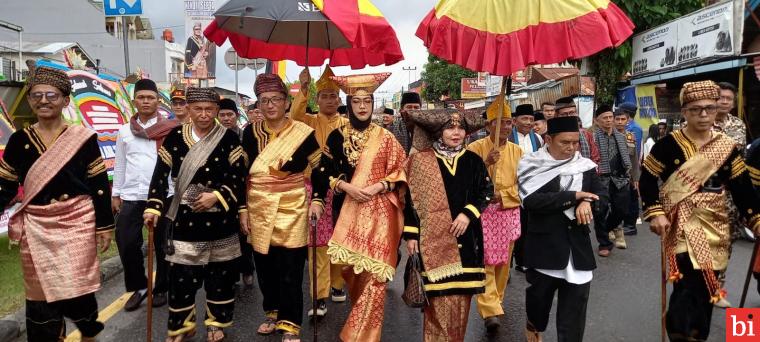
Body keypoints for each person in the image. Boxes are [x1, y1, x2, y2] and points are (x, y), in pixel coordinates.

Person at [640, 80, 760, 341]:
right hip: (681, 221)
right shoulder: (668, 144)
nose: (703, 115)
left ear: (717, 110)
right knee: (687, 281)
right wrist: (655, 212)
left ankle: (697, 333)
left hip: (717, 223)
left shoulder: (726, 147)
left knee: (708, 285)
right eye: (696, 109)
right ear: (685, 112)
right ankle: (681, 333)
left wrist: (756, 219)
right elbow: (647, 179)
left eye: (709, 108)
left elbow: (742, 189)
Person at [0, 65, 113, 342]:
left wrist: (104, 225)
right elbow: (4, 187)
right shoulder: (19, 141)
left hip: (76, 223)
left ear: (65, 100)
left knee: (77, 291)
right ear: (29, 100)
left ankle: (89, 331)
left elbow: (98, 186)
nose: (43, 101)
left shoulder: (82, 139)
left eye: (51, 95)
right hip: (37, 227)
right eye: (36, 96)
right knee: (39, 297)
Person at [142, 87, 245, 342]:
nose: (203, 115)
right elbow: (160, 173)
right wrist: (154, 206)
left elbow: (239, 176)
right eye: (197, 109)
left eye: (210, 110)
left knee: (220, 276)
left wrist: (217, 195)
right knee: (182, 278)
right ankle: (181, 326)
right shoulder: (176, 136)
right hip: (185, 219)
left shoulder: (229, 138)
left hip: (221, 218)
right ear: (188, 109)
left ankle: (215, 323)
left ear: (217, 111)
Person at [311, 72, 406, 341]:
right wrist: (346, 187)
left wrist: (381, 186)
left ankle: (362, 336)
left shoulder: (386, 137)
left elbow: (402, 170)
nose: (362, 106)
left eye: (367, 101)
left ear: (373, 104)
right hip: (348, 211)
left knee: (376, 277)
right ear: (349, 104)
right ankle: (360, 322)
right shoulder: (336, 136)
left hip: (381, 214)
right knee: (354, 274)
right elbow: (322, 172)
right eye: (357, 101)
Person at [242, 73, 321, 341]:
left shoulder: (303, 134)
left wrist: (318, 200)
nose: (270, 105)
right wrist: (242, 209)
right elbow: (241, 173)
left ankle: (290, 323)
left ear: (287, 102)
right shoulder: (249, 133)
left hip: (293, 205)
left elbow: (321, 169)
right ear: (259, 104)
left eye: (276, 99)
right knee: (264, 264)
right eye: (264, 100)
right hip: (259, 206)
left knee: (291, 267)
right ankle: (272, 312)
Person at [403, 108, 492, 342]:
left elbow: (486, 191)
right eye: (450, 127)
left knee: (460, 311)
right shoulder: (420, 161)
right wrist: (411, 235)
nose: (456, 132)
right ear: (438, 132)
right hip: (433, 244)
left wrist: (467, 214)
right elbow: (409, 200)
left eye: (460, 127)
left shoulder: (473, 160)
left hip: (467, 244)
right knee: (437, 309)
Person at [518, 116, 605, 342]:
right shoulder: (531, 165)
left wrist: (588, 202)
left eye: (575, 142)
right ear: (548, 139)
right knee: (538, 304)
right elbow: (532, 201)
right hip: (544, 248)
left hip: (578, 250)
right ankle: (533, 325)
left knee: (574, 316)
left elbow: (602, 196)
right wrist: (573, 196)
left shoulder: (584, 166)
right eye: (564, 142)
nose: (571, 148)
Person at [113, 78, 178, 312]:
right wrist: (116, 193)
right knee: (127, 243)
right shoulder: (124, 132)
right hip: (131, 195)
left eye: (150, 97)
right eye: (142, 97)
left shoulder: (171, 130)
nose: (146, 101)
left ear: (158, 101)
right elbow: (120, 164)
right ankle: (139, 288)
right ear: (135, 101)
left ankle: (161, 287)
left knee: (162, 245)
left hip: (163, 195)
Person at [291, 67, 349, 317]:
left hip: (343, 187)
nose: (328, 100)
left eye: (332, 96)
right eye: (323, 95)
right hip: (313, 186)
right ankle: (320, 295)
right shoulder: (309, 120)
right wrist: (304, 87)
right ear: (317, 99)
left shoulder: (347, 125)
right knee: (318, 243)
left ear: (339, 100)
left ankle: (338, 283)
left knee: (342, 239)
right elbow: (293, 114)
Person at [468, 98, 523, 333]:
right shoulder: (475, 149)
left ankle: (496, 301)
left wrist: (506, 196)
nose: (507, 127)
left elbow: (525, 185)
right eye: (501, 122)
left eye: (509, 123)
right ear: (489, 125)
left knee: (503, 262)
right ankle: (490, 309)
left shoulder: (518, 152)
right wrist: (484, 163)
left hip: (507, 211)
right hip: (483, 212)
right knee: (486, 260)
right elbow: (465, 179)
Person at [216, 98, 256, 289]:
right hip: (221, 193)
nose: (225, 118)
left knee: (244, 230)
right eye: (222, 115)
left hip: (244, 189)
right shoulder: (212, 138)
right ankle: (230, 274)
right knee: (226, 233)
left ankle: (247, 269)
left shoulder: (245, 136)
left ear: (236, 116)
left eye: (229, 115)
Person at [592, 105, 631, 256]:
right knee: (600, 210)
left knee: (622, 210)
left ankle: (606, 229)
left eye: (610, 117)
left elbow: (629, 158)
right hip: (600, 178)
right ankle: (604, 243)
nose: (609, 120)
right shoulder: (593, 137)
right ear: (597, 120)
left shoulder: (621, 136)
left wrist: (631, 176)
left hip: (620, 178)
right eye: (605, 118)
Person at [614, 107, 641, 237]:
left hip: (628, 175)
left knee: (632, 200)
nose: (620, 122)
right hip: (612, 175)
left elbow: (635, 158)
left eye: (622, 119)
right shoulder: (608, 136)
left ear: (627, 121)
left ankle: (630, 226)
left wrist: (635, 178)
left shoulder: (630, 137)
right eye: (617, 119)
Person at [555, 97, 600, 165]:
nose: (569, 116)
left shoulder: (586, 135)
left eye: (572, 112)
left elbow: (595, 157)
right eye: (564, 114)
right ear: (557, 116)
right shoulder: (553, 136)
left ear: (576, 113)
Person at [714, 82, 745, 152]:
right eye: (721, 98)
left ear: (733, 104)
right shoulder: (702, 123)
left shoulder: (739, 123)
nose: (725, 102)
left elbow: (743, 152)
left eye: (729, 99)